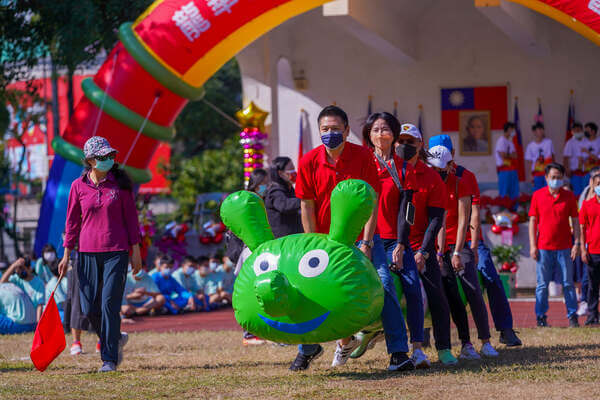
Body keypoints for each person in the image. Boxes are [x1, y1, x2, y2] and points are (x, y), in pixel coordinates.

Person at [291, 105, 389, 371]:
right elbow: (306, 206)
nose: (330, 134)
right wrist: (312, 244)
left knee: (383, 286)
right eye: (325, 130)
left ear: (347, 130)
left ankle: (392, 347)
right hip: (324, 242)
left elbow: (372, 201)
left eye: (335, 129)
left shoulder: (363, 157)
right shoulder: (309, 161)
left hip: (359, 239)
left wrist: (367, 242)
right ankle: (307, 348)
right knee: (308, 290)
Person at [59, 136, 142, 372]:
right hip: (85, 253)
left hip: (116, 251)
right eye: (103, 157)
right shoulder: (77, 186)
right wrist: (66, 255)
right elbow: (72, 222)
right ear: (90, 160)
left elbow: (131, 220)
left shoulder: (121, 185)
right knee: (88, 308)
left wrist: (135, 251)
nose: (108, 160)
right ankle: (114, 337)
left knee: (108, 304)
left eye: (111, 156)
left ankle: (109, 359)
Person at [356, 116, 425, 369]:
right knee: (384, 286)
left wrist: (401, 244)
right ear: (368, 135)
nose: (381, 133)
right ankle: (352, 339)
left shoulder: (403, 166)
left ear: (394, 134)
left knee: (412, 286)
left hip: (394, 241)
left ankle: (414, 350)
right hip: (367, 240)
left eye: (386, 129)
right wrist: (364, 241)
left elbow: (408, 210)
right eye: (376, 129)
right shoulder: (363, 163)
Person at [391, 125, 458, 365]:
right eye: (400, 140)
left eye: (411, 141)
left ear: (421, 145)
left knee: (436, 294)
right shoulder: (386, 170)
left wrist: (423, 252)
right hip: (388, 243)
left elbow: (436, 219)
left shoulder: (431, 177)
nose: (404, 145)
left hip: (421, 246)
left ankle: (443, 347)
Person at [428, 136, 498, 359]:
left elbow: (463, 218)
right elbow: (438, 217)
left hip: (461, 241)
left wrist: (459, 251)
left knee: (472, 288)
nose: (437, 172)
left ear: (451, 164)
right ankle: (465, 343)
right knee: (449, 293)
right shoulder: (431, 179)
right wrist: (439, 252)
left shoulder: (462, 179)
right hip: (441, 242)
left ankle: (486, 341)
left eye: (441, 168)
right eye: (433, 168)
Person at [528, 163, 581, 327]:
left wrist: (577, 243)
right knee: (542, 285)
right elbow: (532, 221)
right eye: (553, 177)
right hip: (543, 247)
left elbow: (576, 222)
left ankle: (572, 316)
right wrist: (532, 245)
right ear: (546, 178)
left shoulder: (569, 196)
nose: (556, 180)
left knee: (567, 283)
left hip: (565, 247)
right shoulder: (537, 195)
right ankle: (541, 317)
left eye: (559, 177)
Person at [578, 170, 600, 325]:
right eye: (598, 184)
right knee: (593, 286)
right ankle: (592, 315)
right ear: (593, 185)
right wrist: (583, 250)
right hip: (593, 251)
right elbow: (582, 229)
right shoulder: (586, 205)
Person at [264, 156, 302, 238]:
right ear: (280, 173)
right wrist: (304, 199)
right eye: (291, 168)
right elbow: (284, 205)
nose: (294, 171)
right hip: (282, 240)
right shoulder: (274, 191)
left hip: (294, 236)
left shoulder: (290, 189)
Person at [0, 256, 45, 322]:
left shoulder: (39, 283)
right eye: (17, 269)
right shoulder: (16, 278)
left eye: (22, 268)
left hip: (30, 317)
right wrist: (13, 266)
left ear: (29, 269)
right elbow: (2, 282)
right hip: (18, 314)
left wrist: (37, 324)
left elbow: (39, 306)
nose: (19, 271)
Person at [525, 123, 555, 191]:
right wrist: (530, 175)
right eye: (539, 129)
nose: (541, 131)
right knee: (537, 192)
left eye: (542, 129)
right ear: (534, 132)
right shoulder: (530, 146)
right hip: (536, 172)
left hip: (547, 172)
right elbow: (529, 162)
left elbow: (553, 157)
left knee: (548, 191)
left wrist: (554, 170)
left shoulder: (549, 142)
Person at [564, 122, 591, 196]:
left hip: (587, 171)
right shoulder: (570, 142)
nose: (577, 132)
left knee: (587, 192)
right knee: (576, 193)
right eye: (575, 131)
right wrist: (567, 169)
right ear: (572, 132)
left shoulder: (588, 141)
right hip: (575, 172)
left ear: (582, 131)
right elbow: (566, 157)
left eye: (579, 130)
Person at [495, 122, 519, 201]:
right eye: (512, 130)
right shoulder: (501, 141)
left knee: (514, 191)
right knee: (504, 191)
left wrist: (508, 155)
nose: (513, 132)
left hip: (512, 169)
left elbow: (515, 155)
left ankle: (514, 210)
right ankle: (504, 210)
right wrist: (510, 155)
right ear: (508, 129)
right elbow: (502, 155)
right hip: (504, 169)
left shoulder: (510, 141)